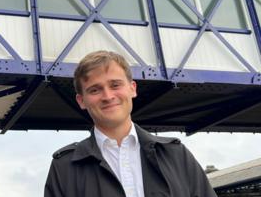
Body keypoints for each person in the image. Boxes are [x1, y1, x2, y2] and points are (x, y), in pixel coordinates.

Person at [44, 50, 216, 197]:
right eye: (95, 90)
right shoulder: (64, 167)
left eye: (115, 85)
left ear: (132, 88)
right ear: (81, 101)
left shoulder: (176, 155)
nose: (108, 96)